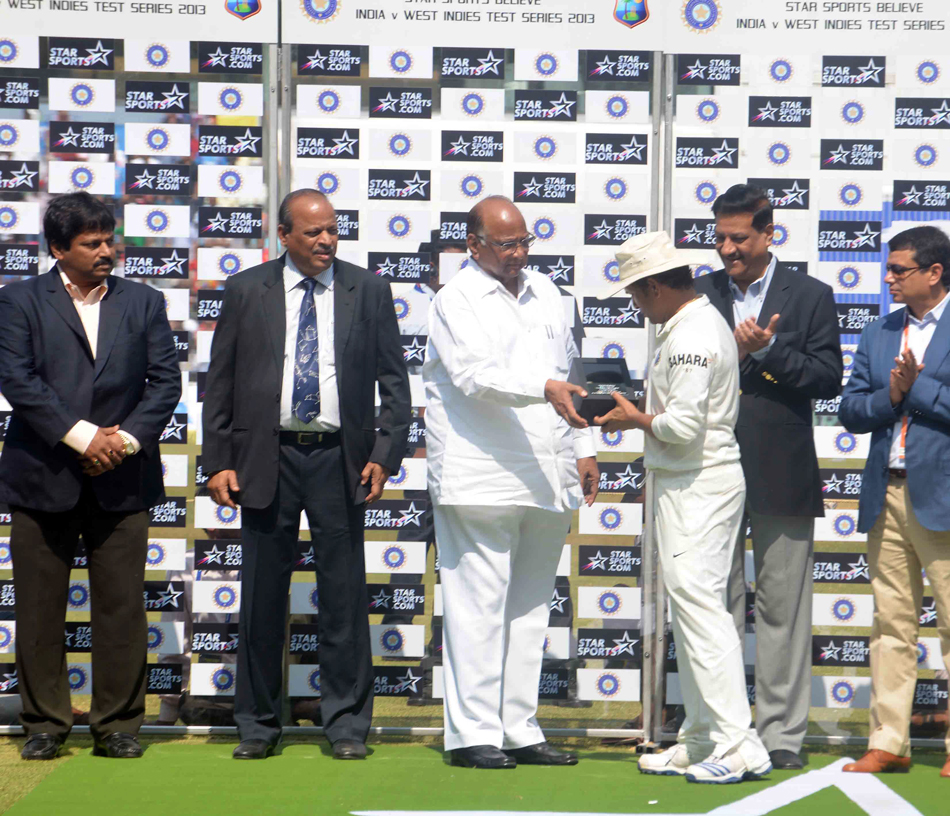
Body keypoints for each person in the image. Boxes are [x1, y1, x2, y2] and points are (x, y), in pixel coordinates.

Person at [202, 189, 411, 760]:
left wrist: (385, 454)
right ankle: (258, 725)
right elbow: (220, 381)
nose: (326, 240)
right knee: (262, 597)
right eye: (313, 232)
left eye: (333, 230)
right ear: (285, 235)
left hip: (340, 459)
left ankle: (345, 725)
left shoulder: (367, 289)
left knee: (343, 597)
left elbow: (395, 382)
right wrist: (217, 460)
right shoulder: (248, 289)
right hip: (264, 459)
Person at [0, 192, 181, 760]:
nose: (107, 250)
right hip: (41, 476)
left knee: (122, 608)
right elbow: (18, 379)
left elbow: (164, 384)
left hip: (123, 478)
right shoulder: (19, 301)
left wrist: (120, 443)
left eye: (109, 239)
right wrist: (82, 435)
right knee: (37, 610)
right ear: (58, 248)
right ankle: (45, 726)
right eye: (92, 242)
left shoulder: (144, 302)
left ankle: (119, 725)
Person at [423, 195, 598, 770]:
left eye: (525, 242)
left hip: (549, 468)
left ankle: (519, 726)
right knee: (478, 605)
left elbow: (571, 375)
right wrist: (542, 387)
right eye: (506, 244)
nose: (519, 253)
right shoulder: (455, 299)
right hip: (481, 471)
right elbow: (474, 376)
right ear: (473, 245)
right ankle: (473, 733)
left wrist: (585, 446)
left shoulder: (549, 291)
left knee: (529, 608)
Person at [596, 230, 772, 784]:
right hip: (690, 481)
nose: (633, 304)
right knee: (695, 611)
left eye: (633, 293)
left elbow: (683, 426)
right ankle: (700, 739)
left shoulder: (690, 334)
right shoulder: (697, 324)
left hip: (699, 482)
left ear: (653, 288)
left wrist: (633, 419)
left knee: (701, 611)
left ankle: (740, 744)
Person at [838, 225, 950, 779]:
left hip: (948, 493)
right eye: (888, 269)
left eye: (898, 270)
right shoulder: (880, 329)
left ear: (934, 273)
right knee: (891, 624)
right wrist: (890, 394)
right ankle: (889, 740)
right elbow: (851, 410)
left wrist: (917, 388)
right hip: (886, 492)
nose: (887, 279)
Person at [693, 184, 842, 770]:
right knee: (716, 606)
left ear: (768, 234)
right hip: (706, 470)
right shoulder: (699, 294)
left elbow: (829, 378)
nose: (728, 249)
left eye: (739, 238)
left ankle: (780, 735)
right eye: (720, 237)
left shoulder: (809, 295)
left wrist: (769, 350)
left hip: (781, 471)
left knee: (783, 608)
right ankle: (721, 731)